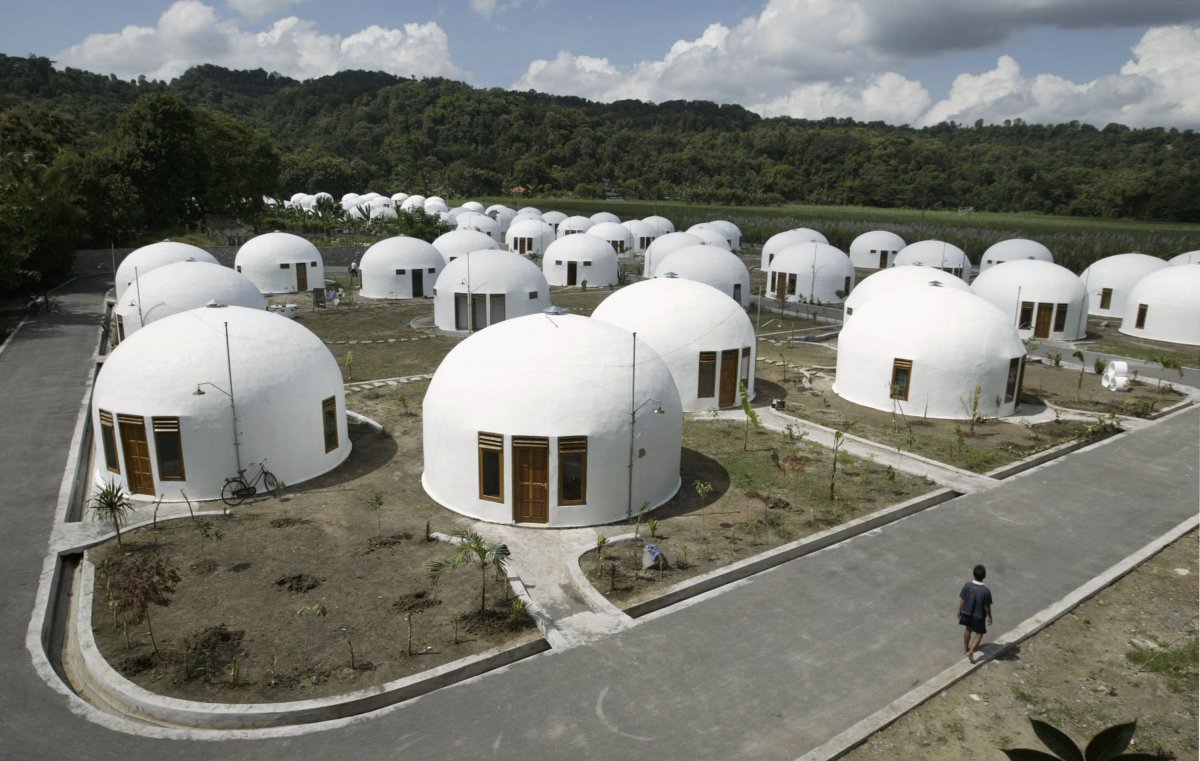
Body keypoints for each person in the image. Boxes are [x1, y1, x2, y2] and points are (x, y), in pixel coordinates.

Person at [958, 564, 993, 662]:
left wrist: (959, 610)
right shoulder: (986, 591)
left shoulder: (968, 585)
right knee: (980, 633)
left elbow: (963, 599)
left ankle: (965, 649)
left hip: (966, 612)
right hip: (979, 616)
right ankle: (971, 651)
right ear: (984, 576)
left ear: (973, 574)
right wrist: (990, 617)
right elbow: (987, 606)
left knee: (968, 629)